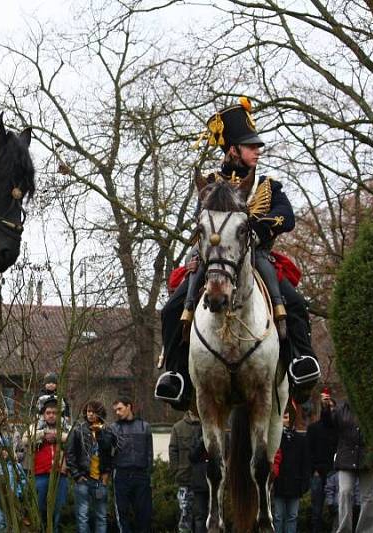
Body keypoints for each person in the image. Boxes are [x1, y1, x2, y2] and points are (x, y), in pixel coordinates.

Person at [155, 97, 320, 409]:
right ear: (233, 150)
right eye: (250, 145)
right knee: (172, 308)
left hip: (254, 255)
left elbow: (287, 217)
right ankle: (176, 376)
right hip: (213, 258)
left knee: (294, 302)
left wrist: (257, 226)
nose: (257, 150)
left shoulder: (268, 186)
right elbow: (201, 224)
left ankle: (301, 363)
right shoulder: (211, 185)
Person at [321, 393, 373, 533]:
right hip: (346, 457)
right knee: (344, 492)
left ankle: (365, 530)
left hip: (367, 457)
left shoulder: (372, 407)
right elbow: (328, 425)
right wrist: (326, 409)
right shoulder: (341, 408)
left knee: (368, 497)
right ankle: (344, 529)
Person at [23, 397, 71, 533]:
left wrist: (57, 435)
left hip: (60, 474)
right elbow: (25, 440)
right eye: (48, 412)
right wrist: (43, 434)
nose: (51, 415)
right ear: (44, 414)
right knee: (40, 509)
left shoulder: (65, 427)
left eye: (55, 413)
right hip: (40, 474)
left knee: (58, 509)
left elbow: (73, 438)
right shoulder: (35, 426)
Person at [65, 400, 113, 533]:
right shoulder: (78, 430)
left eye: (94, 412)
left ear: (100, 413)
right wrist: (77, 475)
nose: (91, 414)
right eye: (88, 411)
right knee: (82, 516)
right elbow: (70, 454)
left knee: (101, 516)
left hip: (100, 480)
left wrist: (106, 475)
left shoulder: (107, 430)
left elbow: (110, 453)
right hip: (83, 480)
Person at [109, 397, 153, 533]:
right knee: (122, 513)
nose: (117, 412)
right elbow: (107, 452)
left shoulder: (144, 426)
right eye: (115, 410)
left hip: (141, 475)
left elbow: (149, 452)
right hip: (121, 474)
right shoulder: (113, 428)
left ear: (129, 407)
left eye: (120, 409)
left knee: (144, 514)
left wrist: (148, 472)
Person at [271, 409, 311, 532]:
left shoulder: (301, 440)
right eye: (284, 416)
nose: (286, 419)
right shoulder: (275, 439)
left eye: (288, 416)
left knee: (292, 516)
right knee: (278, 516)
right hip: (279, 483)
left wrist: (304, 483)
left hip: (295, 483)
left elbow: (305, 463)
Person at [308, 388, 339, 533]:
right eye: (328, 406)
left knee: (337, 509)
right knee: (316, 510)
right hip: (318, 474)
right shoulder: (313, 428)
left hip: (334, 472)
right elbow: (309, 451)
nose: (330, 409)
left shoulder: (338, 428)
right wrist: (313, 470)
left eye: (333, 406)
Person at [169, 409, 202, 533]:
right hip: (184, 480)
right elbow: (173, 451)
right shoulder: (178, 427)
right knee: (185, 519)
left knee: (201, 518)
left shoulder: (206, 426)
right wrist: (176, 472)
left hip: (203, 481)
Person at [0, 440, 25, 533]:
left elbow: (22, 480)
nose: (3, 452)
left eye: (6, 449)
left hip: (12, 499)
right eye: (0, 449)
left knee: (11, 521)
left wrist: (18, 493)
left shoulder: (16, 466)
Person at [187, 423, 209, 532]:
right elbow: (192, 455)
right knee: (200, 516)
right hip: (200, 481)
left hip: (216, 481)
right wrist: (202, 441)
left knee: (217, 515)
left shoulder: (222, 430)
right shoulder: (197, 431)